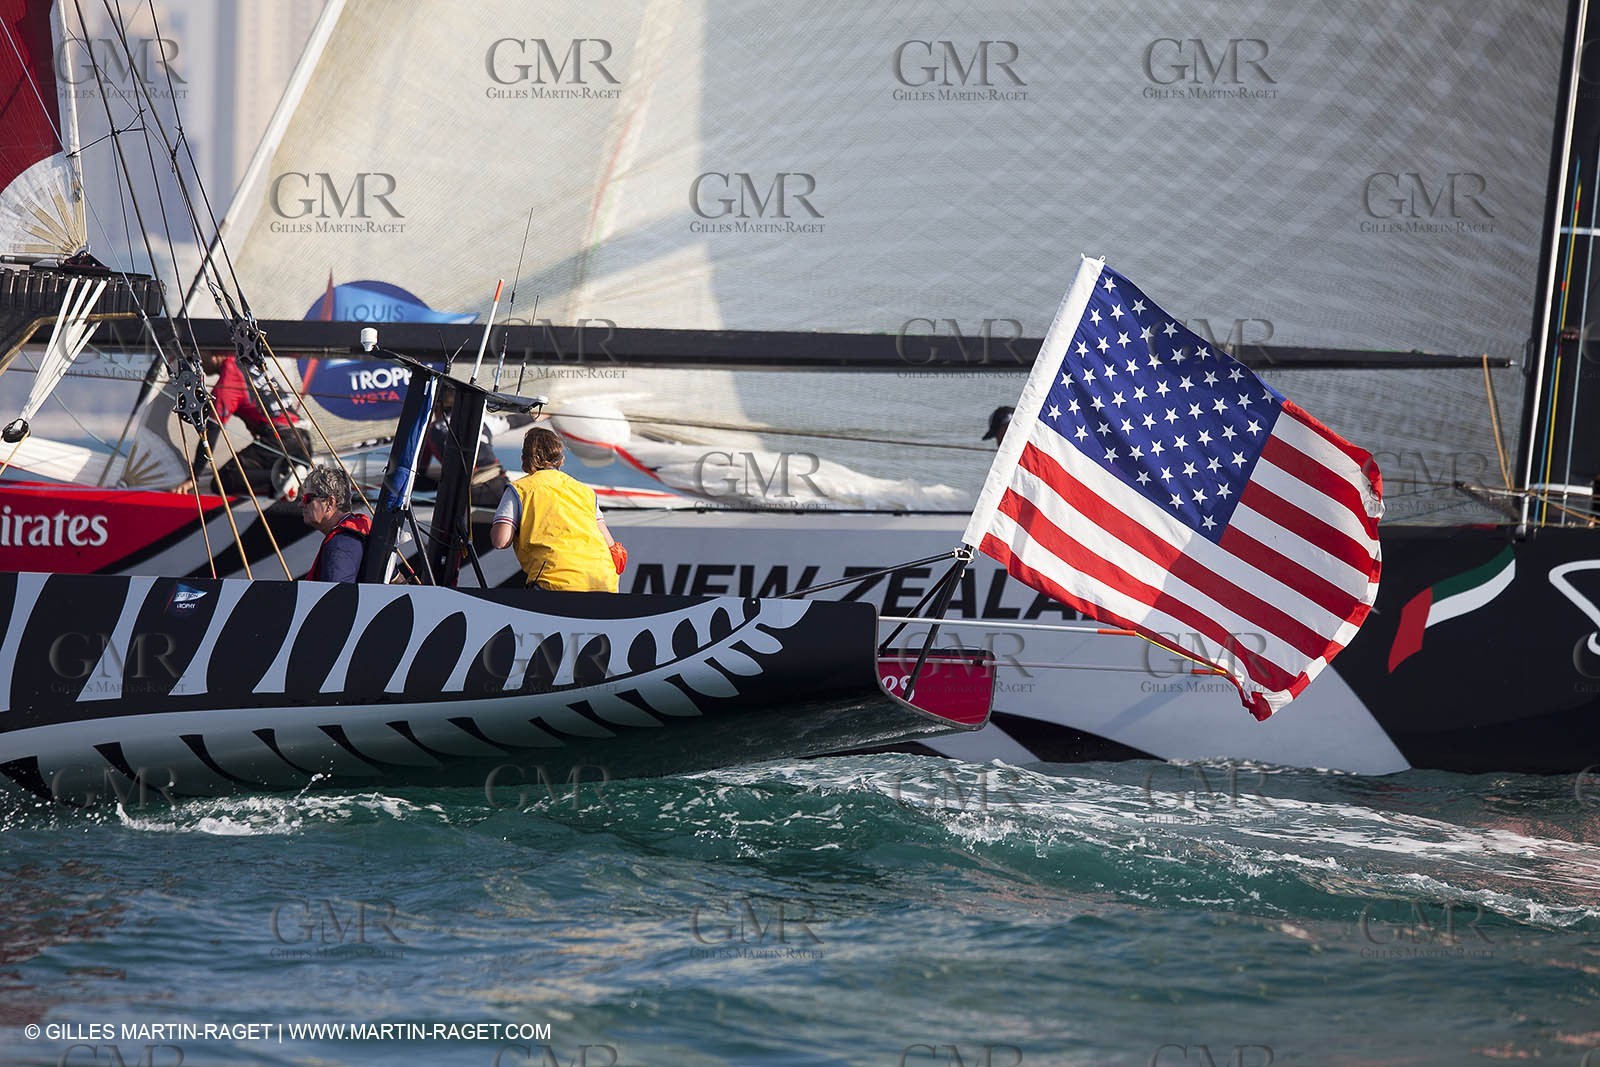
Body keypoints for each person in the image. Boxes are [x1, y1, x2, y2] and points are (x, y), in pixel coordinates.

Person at [490, 427, 619, 591]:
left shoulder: (520, 489)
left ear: (524, 459)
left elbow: (500, 541)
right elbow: (609, 544)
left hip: (556, 583)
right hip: (603, 582)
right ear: (561, 459)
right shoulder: (585, 491)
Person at [171, 352, 311, 497]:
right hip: (303, 441)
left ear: (214, 354)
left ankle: (284, 477)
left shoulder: (229, 380)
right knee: (252, 476)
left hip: (280, 441)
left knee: (223, 481)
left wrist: (193, 478)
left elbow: (210, 433)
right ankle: (287, 484)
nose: (197, 365)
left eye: (197, 358)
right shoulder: (247, 360)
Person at [299, 466, 371, 582]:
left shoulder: (339, 545)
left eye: (307, 499)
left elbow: (335, 593)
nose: (300, 505)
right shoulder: (361, 535)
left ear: (330, 502)